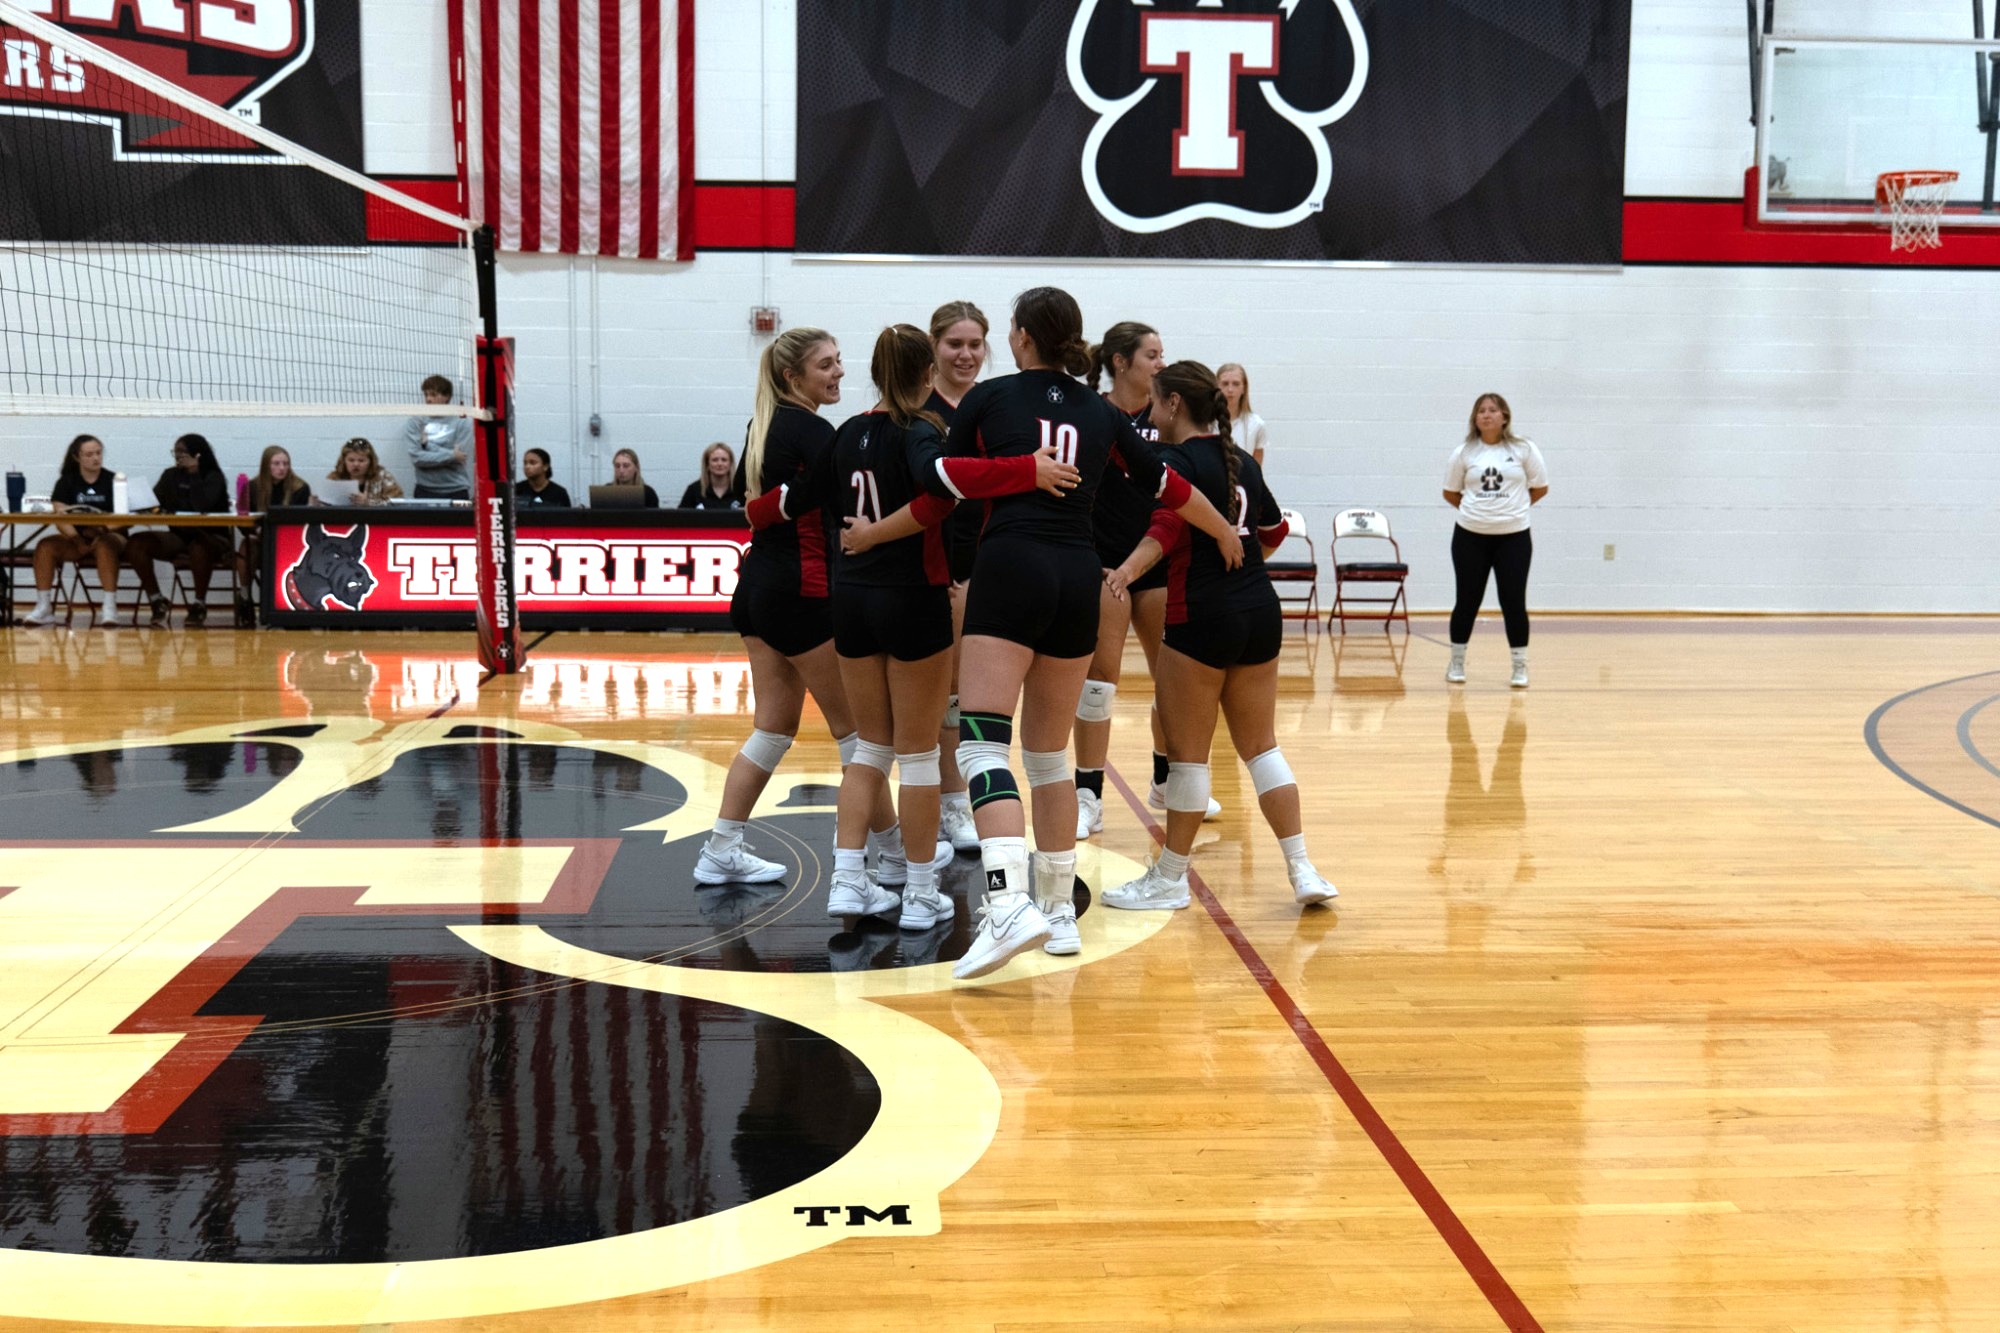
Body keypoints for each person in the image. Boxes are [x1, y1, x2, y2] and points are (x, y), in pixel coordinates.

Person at [929, 286, 1240, 981]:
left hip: (1011, 568)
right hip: (1079, 577)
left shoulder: (991, 397)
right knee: (1048, 756)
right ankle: (1058, 911)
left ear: (1020, 336)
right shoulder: (1102, 412)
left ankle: (1006, 907)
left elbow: (943, 475)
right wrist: (1222, 527)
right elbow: (1167, 485)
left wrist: (1018, 471)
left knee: (981, 743)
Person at [1103, 361, 1336, 910]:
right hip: (1259, 609)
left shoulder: (1173, 462)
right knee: (1262, 747)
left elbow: (1165, 529)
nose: (1150, 413)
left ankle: (1169, 879)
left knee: (1188, 757)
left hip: (1200, 614)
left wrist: (1128, 571)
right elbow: (1274, 532)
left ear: (1175, 404)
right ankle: (1302, 868)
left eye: (1155, 401)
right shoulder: (1240, 462)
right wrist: (1239, 563)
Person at [764, 325, 960, 927]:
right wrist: (879, 534)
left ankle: (849, 881)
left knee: (870, 749)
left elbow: (794, 500)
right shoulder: (923, 431)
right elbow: (940, 496)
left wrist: (753, 510)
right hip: (912, 598)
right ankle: (920, 893)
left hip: (851, 600)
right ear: (928, 374)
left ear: (874, 373)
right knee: (919, 756)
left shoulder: (846, 432)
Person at [700, 327, 903, 895]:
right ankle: (891, 856)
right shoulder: (814, 431)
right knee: (860, 736)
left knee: (773, 727)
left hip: (757, 590)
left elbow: (759, 508)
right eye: (826, 365)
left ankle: (720, 849)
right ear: (793, 376)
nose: (839, 372)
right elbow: (834, 507)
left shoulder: (763, 424)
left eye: (839, 361)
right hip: (800, 594)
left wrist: (770, 508)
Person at [1073, 320, 1223, 838]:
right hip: (1103, 562)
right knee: (1099, 683)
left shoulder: (1167, 416)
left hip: (1160, 561)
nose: (1161, 363)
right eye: (1151, 355)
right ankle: (1088, 796)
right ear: (1120, 362)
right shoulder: (1094, 413)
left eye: (1162, 354)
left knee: (1175, 681)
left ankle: (1166, 779)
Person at [926, 299, 991, 856]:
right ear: (934, 347)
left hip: (988, 569)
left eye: (974, 345)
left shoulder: (994, 407)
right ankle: (951, 801)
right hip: (937, 573)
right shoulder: (920, 412)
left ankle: (963, 796)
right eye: (955, 344)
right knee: (946, 694)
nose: (965, 355)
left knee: (977, 696)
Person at [1442, 392, 1549, 689]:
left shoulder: (1523, 449)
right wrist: (1479, 513)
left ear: (1504, 417)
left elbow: (1540, 487)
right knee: (1467, 600)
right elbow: (1450, 493)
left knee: (1513, 602)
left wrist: (1511, 511)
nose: (1486, 415)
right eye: (1481, 411)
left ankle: (1519, 666)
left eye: (1492, 410)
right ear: (1475, 419)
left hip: (1513, 539)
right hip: (1470, 538)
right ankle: (1457, 662)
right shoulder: (1464, 453)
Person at [125, 433, 233, 627]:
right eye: (175, 452)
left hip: (212, 537)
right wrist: (142, 504)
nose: (178, 456)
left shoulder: (213, 476)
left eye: (183, 452)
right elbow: (154, 501)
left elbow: (202, 506)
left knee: (199, 547)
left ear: (197, 454)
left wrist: (194, 473)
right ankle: (156, 599)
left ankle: (199, 604)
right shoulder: (170, 475)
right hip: (180, 535)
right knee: (136, 543)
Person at [20, 434, 124, 627]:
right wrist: (77, 539)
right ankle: (44, 607)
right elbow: (60, 516)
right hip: (78, 539)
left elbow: (125, 517)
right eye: (89, 454)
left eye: (98, 453)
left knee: (104, 545)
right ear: (77, 457)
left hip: (109, 536)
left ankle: (110, 608)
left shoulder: (114, 480)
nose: (95, 458)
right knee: (45, 546)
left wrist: (101, 530)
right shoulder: (66, 482)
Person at [235, 445, 312, 622]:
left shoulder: (300, 488)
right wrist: (253, 531)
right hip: (260, 540)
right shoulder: (252, 487)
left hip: (288, 542)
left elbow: (299, 521)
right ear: (266, 466)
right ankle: (245, 595)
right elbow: (243, 518)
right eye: (276, 464)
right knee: (247, 547)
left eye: (285, 464)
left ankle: (286, 605)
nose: (282, 468)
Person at [404, 374, 473, 501]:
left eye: (433, 395)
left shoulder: (462, 422)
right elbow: (417, 458)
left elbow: (461, 457)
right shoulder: (416, 421)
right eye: (426, 395)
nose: (428, 399)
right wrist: (451, 455)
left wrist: (427, 445)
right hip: (424, 489)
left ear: (446, 397)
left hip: (456, 490)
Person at [1217, 363, 1270, 468]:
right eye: (1225, 384)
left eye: (1236, 384)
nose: (1230, 389)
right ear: (1217, 387)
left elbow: (1256, 469)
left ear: (1243, 388)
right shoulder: (1205, 423)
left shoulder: (1257, 424)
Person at [324, 438, 404, 505]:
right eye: (351, 460)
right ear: (344, 461)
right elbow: (325, 503)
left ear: (370, 462)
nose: (356, 464)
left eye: (361, 461)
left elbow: (397, 502)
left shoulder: (383, 476)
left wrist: (369, 502)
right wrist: (318, 503)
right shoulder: (335, 478)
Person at [678, 443, 745, 509]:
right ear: (707, 464)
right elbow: (680, 515)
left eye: (724, 460)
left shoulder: (742, 490)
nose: (719, 464)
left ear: (730, 464)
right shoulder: (694, 490)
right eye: (715, 460)